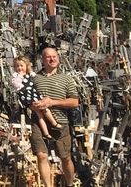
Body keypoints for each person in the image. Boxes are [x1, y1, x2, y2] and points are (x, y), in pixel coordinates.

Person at [29, 46, 81, 187]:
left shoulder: (66, 79)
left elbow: (75, 101)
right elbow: (26, 97)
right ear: (42, 60)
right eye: (48, 57)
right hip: (38, 121)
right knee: (41, 155)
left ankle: (69, 183)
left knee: (65, 157)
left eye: (54, 57)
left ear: (58, 59)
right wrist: (31, 105)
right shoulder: (35, 79)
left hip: (61, 121)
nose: (52, 59)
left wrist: (52, 102)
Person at [11, 56, 58, 138]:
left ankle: (50, 127)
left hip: (34, 94)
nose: (20, 68)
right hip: (27, 96)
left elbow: (37, 81)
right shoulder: (16, 76)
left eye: (21, 66)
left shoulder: (31, 74)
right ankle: (50, 128)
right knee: (41, 111)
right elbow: (17, 85)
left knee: (43, 111)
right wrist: (20, 77)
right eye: (17, 66)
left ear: (26, 66)